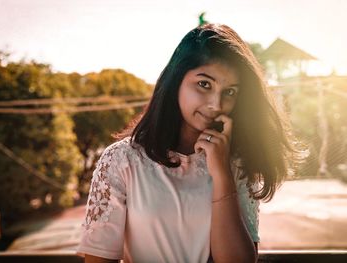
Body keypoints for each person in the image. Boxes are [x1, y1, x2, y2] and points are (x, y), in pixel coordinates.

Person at [76, 23, 305, 263]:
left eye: (230, 92)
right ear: (176, 81)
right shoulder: (121, 160)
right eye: (204, 84)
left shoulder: (237, 163)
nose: (216, 104)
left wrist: (222, 175)